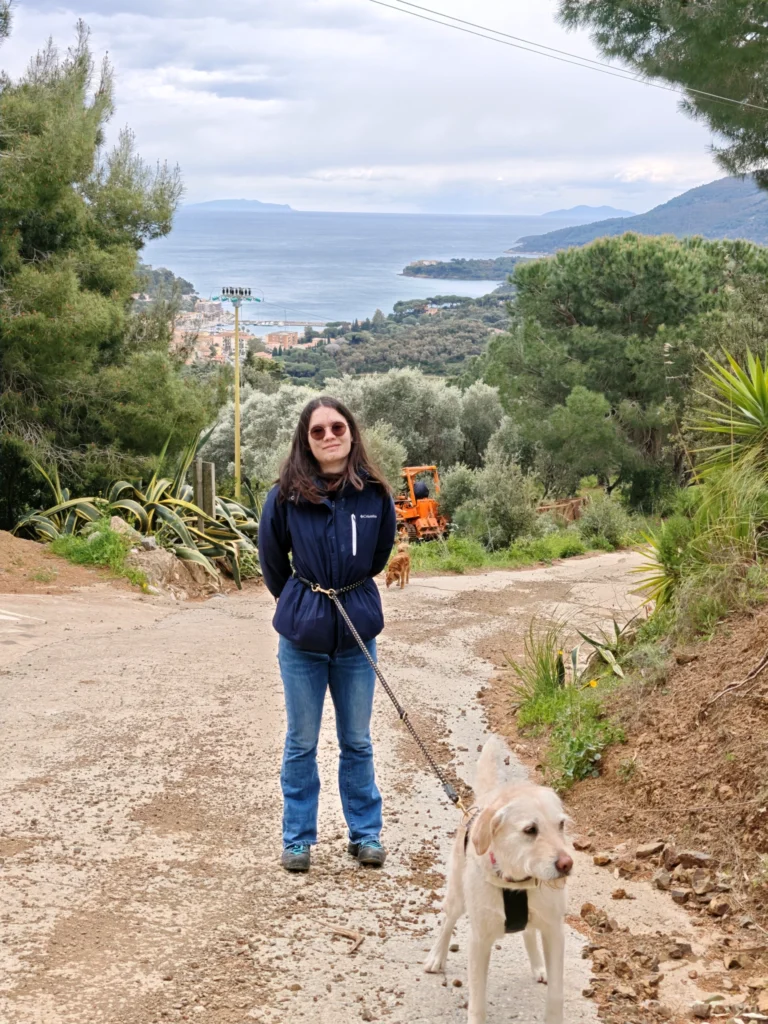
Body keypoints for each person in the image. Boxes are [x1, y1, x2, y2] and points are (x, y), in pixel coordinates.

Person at [258, 397, 397, 873]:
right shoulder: (284, 497)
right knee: (302, 741)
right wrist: (305, 604)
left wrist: (347, 592)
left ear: (351, 433)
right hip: (302, 641)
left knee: (357, 739)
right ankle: (297, 840)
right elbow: (273, 563)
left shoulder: (375, 495)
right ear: (306, 441)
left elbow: (378, 557)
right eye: (317, 431)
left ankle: (366, 834)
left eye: (337, 427)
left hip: (357, 635)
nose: (329, 436)